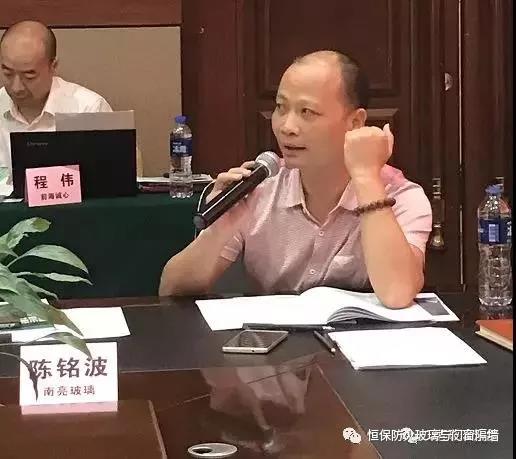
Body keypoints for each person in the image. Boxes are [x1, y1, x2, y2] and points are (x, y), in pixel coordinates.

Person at [159, 50, 432, 308]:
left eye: (307, 112)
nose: (286, 127)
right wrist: (220, 230)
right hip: (274, 340)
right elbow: (171, 290)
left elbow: (397, 293)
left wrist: (366, 177)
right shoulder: (258, 188)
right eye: (280, 107)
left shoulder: (400, 197)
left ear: (355, 122)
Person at [0, 20, 112, 174]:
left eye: (29, 76)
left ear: (53, 66)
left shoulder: (89, 109)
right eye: (7, 73)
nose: (16, 87)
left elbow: (116, 175)